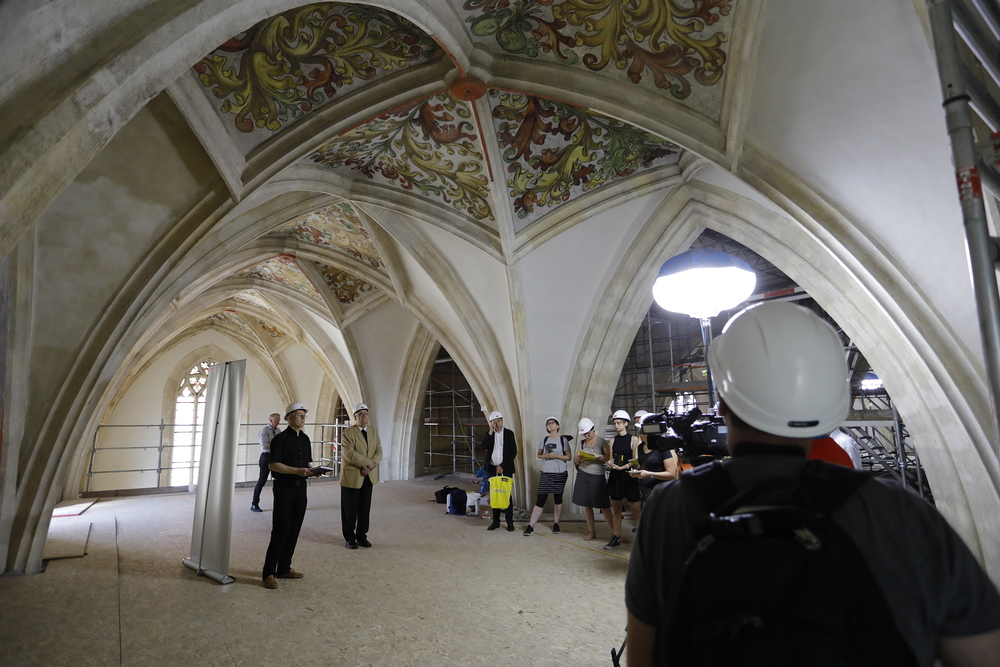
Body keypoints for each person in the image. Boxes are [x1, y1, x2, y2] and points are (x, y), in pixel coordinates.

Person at [625, 302, 1000, 666]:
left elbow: (643, 656)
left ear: (723, 405)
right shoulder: (896, 511)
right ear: (828, 402)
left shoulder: (671, 507)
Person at [261, 402, 320, 589]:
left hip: (301, 489)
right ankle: (268, 572)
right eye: (299, 415)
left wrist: (314, 471)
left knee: (294, 528)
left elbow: (307, 464)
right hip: (284, 488)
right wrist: (297, 471)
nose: (303, 418)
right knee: (281, 529)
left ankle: (284, 568)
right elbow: (273, 465)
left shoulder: (305, 439)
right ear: (289, 418)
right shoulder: (280, 439)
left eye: (304, 415)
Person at [340, 402, 382, 549]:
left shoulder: (373, 432)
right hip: (353, 476)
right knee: (350, 509)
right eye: (360, 414)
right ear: (355, 417)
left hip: (368, 476)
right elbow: (349, 454)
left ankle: (362, 536)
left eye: (366, 414)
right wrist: (367, 463)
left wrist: (370, 466)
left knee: (364, 508)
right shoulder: (348, 433)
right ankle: (349, 537)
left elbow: (379, 450)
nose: (364, 416)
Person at [523, 417, 572, 536]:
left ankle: (556, 523)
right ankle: (531, 525)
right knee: (540, 499)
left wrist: (556, 455)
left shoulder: (563, 440)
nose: (550, 425)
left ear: (557, 426)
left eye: (552, 423)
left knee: (558, 498)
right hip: (546, 472)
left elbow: (568, 457)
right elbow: (539, 454)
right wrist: (546, 456)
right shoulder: (544, 439)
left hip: (559, 473)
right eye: (548, 424)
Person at [572, 418, 614, 543]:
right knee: (587, 506)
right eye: (584, 434)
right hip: (583, 474)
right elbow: (576, 462)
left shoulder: (601, 442)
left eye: (588, 433)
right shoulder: (581, 443)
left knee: (604, 506)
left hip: (597, 476)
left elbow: (609, 458)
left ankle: (614, 533)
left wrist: (597, 456)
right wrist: (579, 458)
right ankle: (591, 531)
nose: (587, 436)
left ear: (593, 429)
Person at [604, 409, 641, 549]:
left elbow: (635, 461)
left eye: (619, 423)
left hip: (629, 476)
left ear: (626, 423)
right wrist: (610, 463)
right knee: (616, 509)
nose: (616, 425)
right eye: (615, 423)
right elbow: (611, 458)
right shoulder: (613, 440)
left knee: (635, 509)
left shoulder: (634, 439)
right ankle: (615, 537)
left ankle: (642, 539)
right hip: (615, 476)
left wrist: (623, 467)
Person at [481, 411, 518, 531]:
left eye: (499, 421)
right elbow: (483, 446)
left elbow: (513, 452)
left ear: (502, 421)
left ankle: (509, 522)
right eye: (494, 421)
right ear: (491, 423)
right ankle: (495, 521)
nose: (497, 423)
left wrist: (503, 465)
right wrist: (490, 432)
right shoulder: (489, 434)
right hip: (492, 468)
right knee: (495, 494)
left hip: (505, 468)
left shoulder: (509, 433)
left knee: (506, 495)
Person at [251, 412, 281, 512]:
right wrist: (276, 444)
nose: (278, 422)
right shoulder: (264, 431)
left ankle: (279, 503)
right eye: (277, 420)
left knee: (279, 480)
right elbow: (265, 446)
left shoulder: (278, 431)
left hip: (276, 457)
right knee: (262, 480)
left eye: (279, 420)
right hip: (266, 457)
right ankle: (254, 504)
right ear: (271, 420)